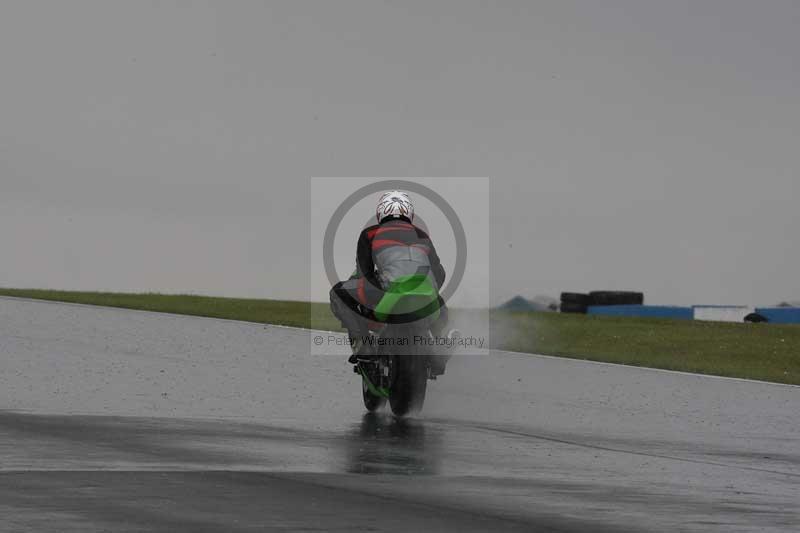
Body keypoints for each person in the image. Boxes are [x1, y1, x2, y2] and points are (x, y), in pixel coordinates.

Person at [330, 190, 451, 364]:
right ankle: (439, 344)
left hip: (389, 288)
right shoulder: (423, 236)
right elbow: (439, 273)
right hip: (425, 290)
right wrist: (429, 288)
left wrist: (370, 300)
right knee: (441, 308)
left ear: (381, 212)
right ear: (409, 212)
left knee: (337, 293)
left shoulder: (370, 233)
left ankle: (362, 345)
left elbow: (364, 272)